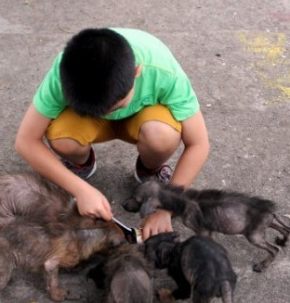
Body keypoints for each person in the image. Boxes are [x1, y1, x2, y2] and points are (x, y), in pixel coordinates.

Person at [15, 28, 209, 240]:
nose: (111, 113)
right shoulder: (63, 74)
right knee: (63, 138)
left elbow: (199, 144)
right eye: (100, 110)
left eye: (118, 106)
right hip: (92, 125)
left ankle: (149, 169)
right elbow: (26, 140)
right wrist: (80, 189)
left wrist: (167, 208)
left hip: (146, 119)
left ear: (137, 71)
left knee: (161, 135)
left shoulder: (163, 71)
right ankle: (81, 164)